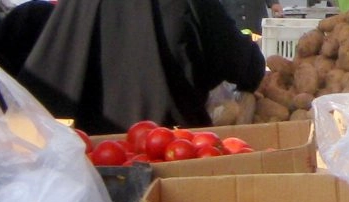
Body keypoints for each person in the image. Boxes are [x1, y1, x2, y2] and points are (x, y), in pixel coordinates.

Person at [17, 0, 267, 135]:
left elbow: (42, 79)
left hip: (87, 161)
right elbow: (245, 66)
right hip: (168, 157)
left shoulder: (76, 6)